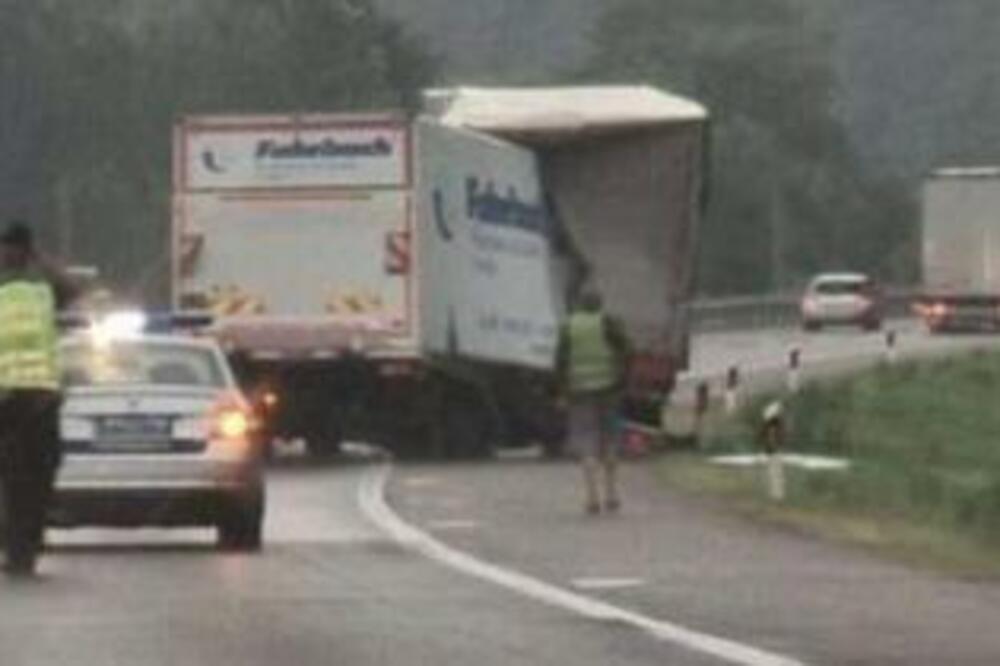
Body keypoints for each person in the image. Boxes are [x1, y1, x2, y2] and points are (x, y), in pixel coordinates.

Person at [0, 221, 78, 577]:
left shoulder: (42, 289)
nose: (7, 253)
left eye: (12, 247)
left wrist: (39, 257)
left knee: (41, 469)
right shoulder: (35, 288)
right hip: (16, 399)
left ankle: (28, 538)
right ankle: (19, 537)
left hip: (38, 399)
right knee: (24, 474)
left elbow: (71, 289)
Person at [558, 288, 629, 515]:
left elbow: (560, 361)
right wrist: (622, 378)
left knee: (586, 439)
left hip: (579, 391)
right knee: (610, 438)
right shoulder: (609, 323)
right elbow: (627, 351)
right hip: (609, 389)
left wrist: (562, 390)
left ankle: (591, 497)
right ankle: (612, 494)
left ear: (579, 305)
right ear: (600, 305)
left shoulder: (568, 326)